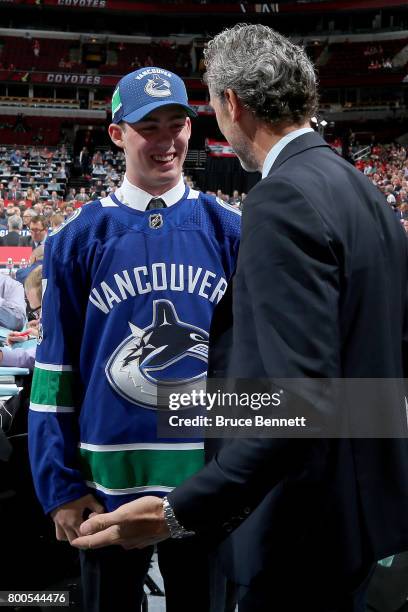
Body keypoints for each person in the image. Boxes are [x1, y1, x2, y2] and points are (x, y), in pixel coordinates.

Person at [72, 25, 408, 612]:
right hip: (363, 517)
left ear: (231, 104)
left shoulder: (280, 200)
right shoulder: (362, 191)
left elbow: (298, 402)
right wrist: (178, 413)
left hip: (301, 527)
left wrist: (178, 511)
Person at [29, 65, 240, 612]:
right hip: (103, 486)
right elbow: (54, 372)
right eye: (149, 127)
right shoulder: (78, 237)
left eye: (177, 123)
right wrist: (60, 486)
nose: (166, 140)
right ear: (118, 134)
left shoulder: (229, 228)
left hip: (204, 484)